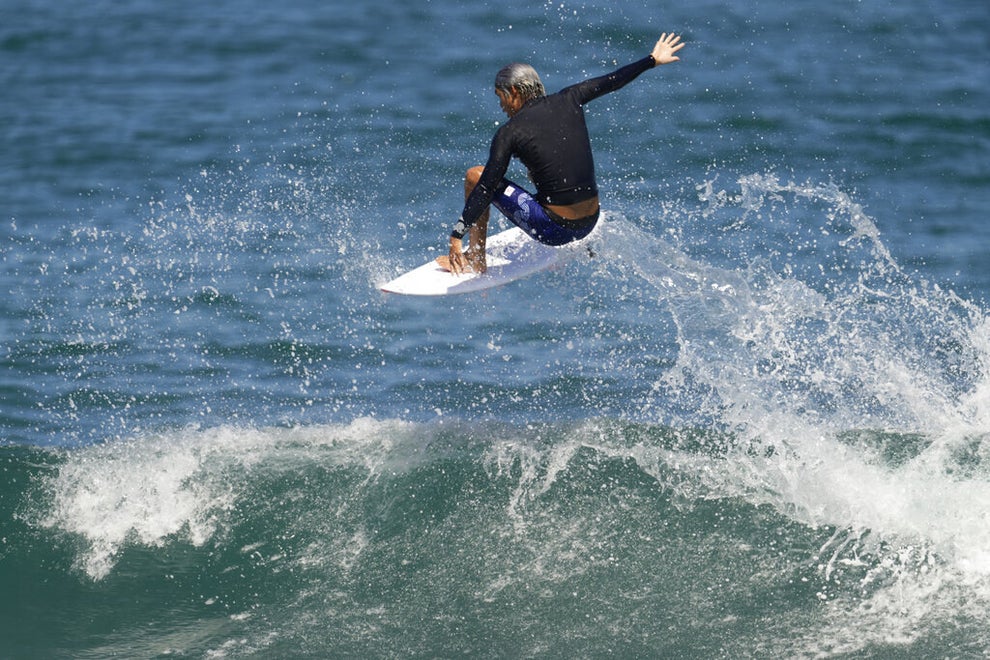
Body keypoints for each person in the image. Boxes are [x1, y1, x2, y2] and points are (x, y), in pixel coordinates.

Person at [439, 33, 685, 275]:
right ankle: (582, 242)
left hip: (555, 230)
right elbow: (613, 80)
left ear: (514, 92)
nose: (501, 106)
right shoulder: (571, 98)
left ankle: (476, 260)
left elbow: (484, 187)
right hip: (591, 222)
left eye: (500, 97)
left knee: (476, 175)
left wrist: (456, 235)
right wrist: (652, 59)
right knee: (548, 162)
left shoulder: (509, 132)